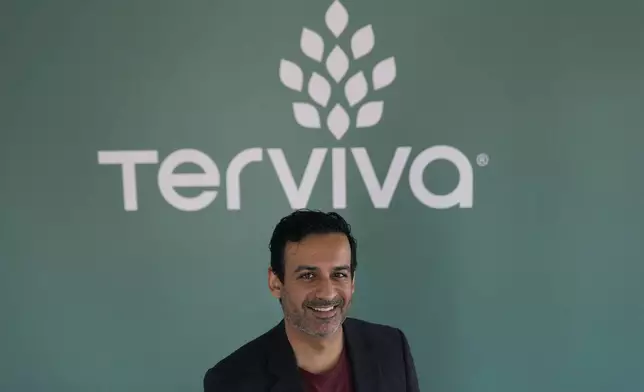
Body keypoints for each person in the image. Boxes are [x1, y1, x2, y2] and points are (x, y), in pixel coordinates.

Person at [203, 209, 420, 392]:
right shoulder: (231, 381)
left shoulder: (392, 349)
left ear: (352, 281)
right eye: (308, 276)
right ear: (276, 283)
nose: (326, 293)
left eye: (339, 274)